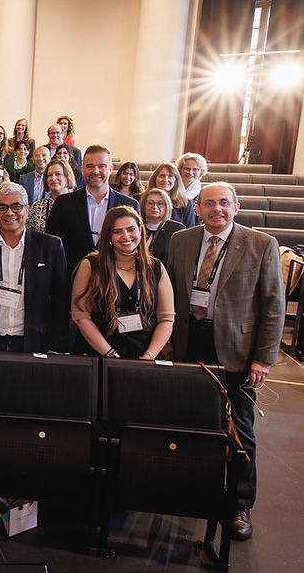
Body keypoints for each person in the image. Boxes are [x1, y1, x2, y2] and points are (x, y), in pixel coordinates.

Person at [166, 182, 283, 541]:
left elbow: (273, 305)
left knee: (241, 431)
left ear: (236, 206)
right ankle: (194, 492)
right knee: (189, 423)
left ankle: (239, 504)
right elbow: (170, 291)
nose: (216, 209)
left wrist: (263, 358)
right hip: (189, 345)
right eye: (208, 203)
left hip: (237, 349)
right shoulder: (181, 240)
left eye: (223, 203)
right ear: (197, 208)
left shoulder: (262, 244)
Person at [0, 182, 70, 352]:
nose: (9, 212)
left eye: (16, 206)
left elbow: (61, 300)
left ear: (27, 210)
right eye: (2, 207)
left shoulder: (51, 246)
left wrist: (56, 346)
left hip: (35, 343)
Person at [71, 206, 174, 359]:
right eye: (117, 232)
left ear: (140, 230)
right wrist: (110, 354)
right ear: (108, 236)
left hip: (145, 358)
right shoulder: (91, 265)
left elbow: (166, 319)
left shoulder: (156, 267)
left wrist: (149, 356)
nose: (126, 236)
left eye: (131, 229)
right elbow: (80, 316)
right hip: (101, 357)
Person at [46, 144, 140, 273]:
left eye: (101, 166)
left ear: (110, 169)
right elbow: (52, 247)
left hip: (115, 278)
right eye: (90, 166)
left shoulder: (130, 206)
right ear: (82, 169)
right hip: (72, 278)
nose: (95, 171)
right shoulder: (63, 203)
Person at [28, 159, 75, 233]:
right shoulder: (37, 207)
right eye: (49, 175)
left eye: (58, 174)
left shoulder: (78, 205)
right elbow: (30, 236)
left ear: (68, 177)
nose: (53, 178)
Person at [139, 187, 184, 264]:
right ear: (143, 205)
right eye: (150, 203)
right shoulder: (136, 226)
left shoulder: (176, 229)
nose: (155, 207)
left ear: (167, 206)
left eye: (160, 203)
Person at [148, 162, 196, 228]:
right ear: (155, 178)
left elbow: (190, 230)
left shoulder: (185, 203)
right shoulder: (143, 199)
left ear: (176, 181)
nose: (165, 180)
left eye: (170, 176)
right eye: (162, 176)